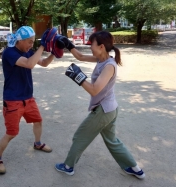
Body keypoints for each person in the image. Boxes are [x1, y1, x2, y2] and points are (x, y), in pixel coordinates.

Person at [55, 31, 145, 179]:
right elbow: (81, 56)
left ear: (101, 46)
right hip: (110, 109)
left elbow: (95, 90)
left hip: (103, 111)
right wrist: (68, 44)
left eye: (92, 44)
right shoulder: (101, 59)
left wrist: (78, 77)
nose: (90, 47)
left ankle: (68, 166)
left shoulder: (109, 66)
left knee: (79, 137)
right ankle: (135, 168)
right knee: (112, 141)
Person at [0, 26, 55, 174]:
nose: (31, 45)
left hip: (28, 98)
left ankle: (37, 143)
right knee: (12, 133)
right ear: (19, 41)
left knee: (38, 120)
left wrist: (55, 52)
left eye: (33, 42)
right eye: (29, 42)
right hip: (13, 100)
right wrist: (42, 45)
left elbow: (44, 63)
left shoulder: (28, 52)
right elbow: (29, 64)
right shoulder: (9, 53)